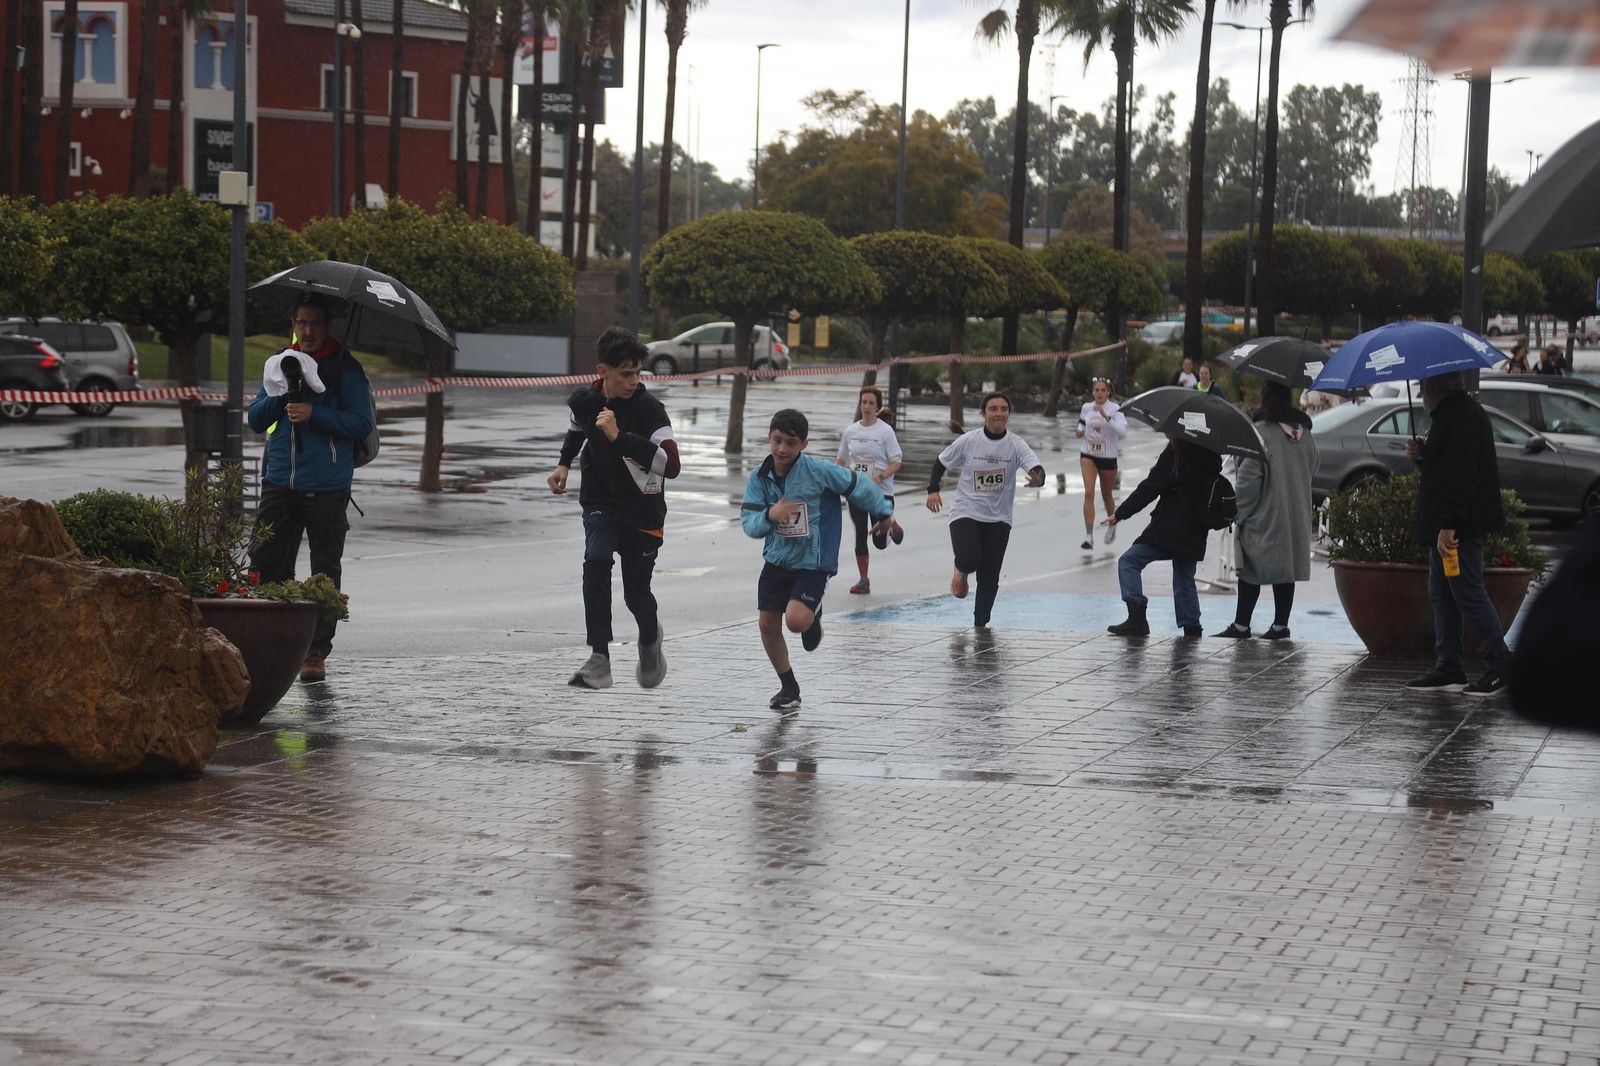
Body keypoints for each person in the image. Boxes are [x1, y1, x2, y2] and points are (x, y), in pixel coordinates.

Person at [248, 295, 375, 683]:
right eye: (301, 323)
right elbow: (256, 419)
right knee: (266, 563)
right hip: (279, 482)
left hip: (327, 487)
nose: (307, 331)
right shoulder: (279, 366)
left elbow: (359, 423)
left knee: (324, 571)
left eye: (315, 323)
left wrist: (314, 413)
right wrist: (284, 395)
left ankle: (316, 651)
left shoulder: (344, 367)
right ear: (293, 323)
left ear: (328, 326)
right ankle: (270, 642)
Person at [548, 328, 681, 690]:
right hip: (600, 503)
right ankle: (600, 658)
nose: (633, 381)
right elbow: (577, 429)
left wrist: (619, 437)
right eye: (625, 373)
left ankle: (650, 639)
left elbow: (671, 465)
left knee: (636, 595)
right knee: (597, 559)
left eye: (638, 373)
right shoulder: (586, 402)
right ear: (602, 371)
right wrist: (563, 464)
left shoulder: (649, 409)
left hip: (643, 513)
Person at [742, 408, 893, 710]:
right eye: (777, 441)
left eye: (791, 443)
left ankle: (813, 614)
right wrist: (770, 516)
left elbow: (859, 486)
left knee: (796, 622)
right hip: (777, 559)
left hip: (813, 560)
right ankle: (789, 687)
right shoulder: (760, 476)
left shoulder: (819, 472)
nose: (783, 449)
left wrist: (883, 512)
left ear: (804, 445)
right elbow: (749, 521)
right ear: (769, 439)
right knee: (767, 624)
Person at [1404, 372, 1511, 696]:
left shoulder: (1461, 417)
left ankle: (1502, 665)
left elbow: (1463, 477)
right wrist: (1423, 454)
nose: (1421, 393)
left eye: (1423, 386)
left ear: (1432, 388)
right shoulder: (1452, 415)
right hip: (1447, 525)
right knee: (1443, 592)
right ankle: (1449, 666)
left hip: (1458, 528)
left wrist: (1449, 526)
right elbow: (1445, 468)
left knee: (1467, 591)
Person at [926, 392, 1045, 629]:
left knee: (989, 576)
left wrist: (1037, 479)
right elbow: (941, 461)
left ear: (1008, 414)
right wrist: (933, 490)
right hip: (965, 512)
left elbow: (1037, 469)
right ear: (983, 414)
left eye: (1003, 409)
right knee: (970, 559)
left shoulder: (1015, 444)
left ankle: (980, 625)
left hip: (999, 518)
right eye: (993, 409)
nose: (999, 413)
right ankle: (961, 570)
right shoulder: (970, 440)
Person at [1213, 381, 1319, 640]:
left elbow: (1248, 483)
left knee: (1250, 568)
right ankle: (1280, 625)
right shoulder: (1303, 432)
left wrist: (1239, 514)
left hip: (1265, 515)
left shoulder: (1259, 433)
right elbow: (1314, 465)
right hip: (1294, 513)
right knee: (1286, 569)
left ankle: (1241, 625)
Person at [1106, 434, 1222, 637]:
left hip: (1168, 529)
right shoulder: (1211, 455)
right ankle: (1192, 626)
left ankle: (1137, 617)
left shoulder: (1176, 451)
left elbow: (1151, 487)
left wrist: (1121, 513)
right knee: (1184, 577)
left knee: (1129, 562)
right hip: (1195, 529)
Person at [836, 386, 905, 594]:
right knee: (860, 533)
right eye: (863, 402)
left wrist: (879, 477)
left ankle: (890, 524)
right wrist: (835, 479)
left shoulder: (885, 431)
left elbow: (897, 462)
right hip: (856, 491)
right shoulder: (851, 431)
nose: (866, 406)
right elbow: (841, 459)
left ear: (877, 406)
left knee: (880, 543)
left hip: (881, 492)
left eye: (870, 403)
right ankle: (863, 580)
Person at [1075, 377, 1126, 551]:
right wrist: (1080, 431)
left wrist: (1107, 418)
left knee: (1106, 495)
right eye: (1096, 390)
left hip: (1108, 457)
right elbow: (1081, 423)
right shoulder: (1086, 408)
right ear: (1093, 392)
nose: (1099, 393)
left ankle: (1113, 523)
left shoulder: (1116, 409)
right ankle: (1089, 536)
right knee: (1089, 492)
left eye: (1103, 390)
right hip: (1088, 454)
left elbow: (1122, 432)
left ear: (1108, 392)